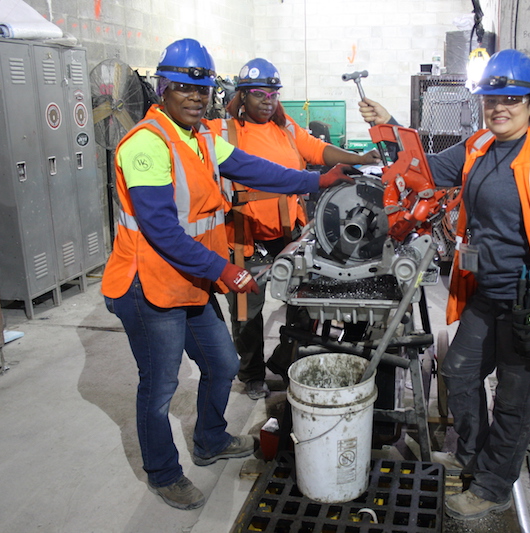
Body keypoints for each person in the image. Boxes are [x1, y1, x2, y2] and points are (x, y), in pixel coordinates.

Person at [101, 38, 356, 511]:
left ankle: (210, 439)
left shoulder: (199, 138)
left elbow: (255, 169)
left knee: (221, 364)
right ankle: (163, 472)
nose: (196, 98)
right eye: (184, 88)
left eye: (203, 89)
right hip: (148, 284)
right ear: (162, 89)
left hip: (188, 280)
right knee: (159, 388)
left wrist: (316, 180)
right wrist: (226, 270)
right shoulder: (146, 145)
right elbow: (161, 231)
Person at [358, 49, 530, 520]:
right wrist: (391, 123)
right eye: (491, 98)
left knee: (513, 400)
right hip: (487, 297)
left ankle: (492, 486)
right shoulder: (478, 147)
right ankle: (477, 458)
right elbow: (422, 169)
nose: (498, 107)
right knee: (458, 373)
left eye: (510, 99)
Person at [205, 58, 381, 400]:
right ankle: (252, 372)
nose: (267, 100)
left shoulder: (286, 131)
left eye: (273, 93)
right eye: (258, 94)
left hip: (288, 232)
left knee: (304, 302)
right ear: (242, 96)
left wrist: (361, 159)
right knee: (247, 309)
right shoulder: (223, 132)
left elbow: (319, 151)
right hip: (245, 235)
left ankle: (287, 359)